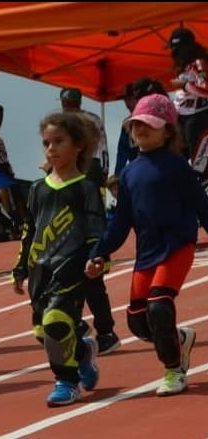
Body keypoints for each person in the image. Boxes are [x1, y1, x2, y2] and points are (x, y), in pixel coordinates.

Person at [87, 93, 203, 396]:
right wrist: (99, 251)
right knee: (139, 322)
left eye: (149, 125)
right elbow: (121, 222)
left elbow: (201, 205)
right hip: (147, 253)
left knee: (160, 306)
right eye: (136, 124)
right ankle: (178, 339)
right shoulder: (129, 174)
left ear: (167, 131)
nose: (141, 130)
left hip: (178, 244)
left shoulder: (178, 167)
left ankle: (174, 369)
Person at [12, 111, 102, 407]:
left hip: (72, 268)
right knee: (44, 331)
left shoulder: (86, 188)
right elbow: (30, 229)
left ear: (78, 145)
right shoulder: (38, 189)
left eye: (58, 141)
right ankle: (82, 351)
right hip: (41, 270)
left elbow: (95, 229)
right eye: (46, 143)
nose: (51, 148)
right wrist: (21, 267)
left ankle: (67, 381)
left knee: (55, 324)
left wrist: (99, 259)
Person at [60, 87, 121, 355]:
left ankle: (105, 331)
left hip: (87, 195)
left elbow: (97, 158)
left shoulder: (82, 124)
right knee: (68, 272)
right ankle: (85, 326)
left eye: (71, 102)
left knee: (89, 274)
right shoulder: (81, 122)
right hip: (79, 193)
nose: (68, 106)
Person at [168, 27, 208, 162]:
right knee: (178, 157)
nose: (173, 53)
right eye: (172, 49)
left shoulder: (199, 63)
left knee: (197, 158)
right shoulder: (184, 66)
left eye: (177, 49)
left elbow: (206, 89)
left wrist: (184, 85)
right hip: (181, 117)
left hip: (196, 117)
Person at [115, 78, 167, 176]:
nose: (127, 104)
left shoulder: (159, 119)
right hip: (138, 172)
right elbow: (122, 153)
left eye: (130, 99)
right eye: (124, 100)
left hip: (160, 169)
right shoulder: (126, 125)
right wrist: (117, 176)